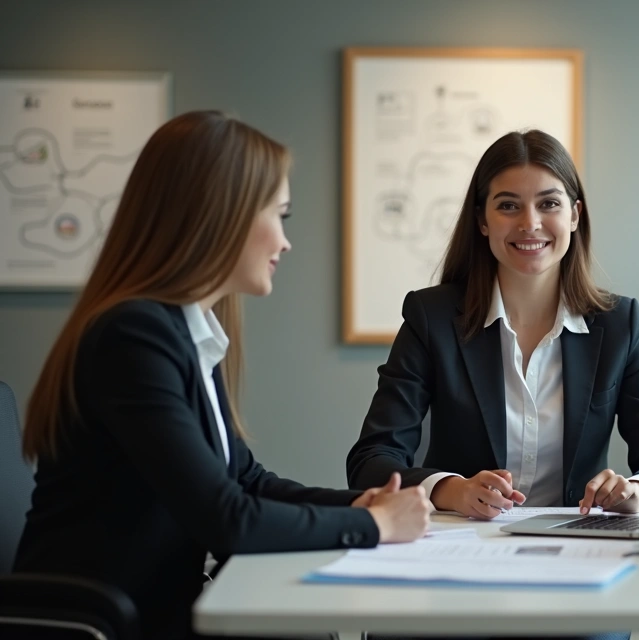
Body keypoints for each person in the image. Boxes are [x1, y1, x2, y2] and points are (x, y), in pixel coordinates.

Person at [15, 111, 433, 640]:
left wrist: (358, 504)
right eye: (277, 216)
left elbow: (245, 480)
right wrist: (374, 525)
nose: (285, 243)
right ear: (222, 216)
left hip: (156, 609)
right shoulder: (134, 336)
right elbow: (225, 517)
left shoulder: (184, 331)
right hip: (102, 624)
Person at [346, 129, 639, 523]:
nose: (530, 223)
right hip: (463, 545)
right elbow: (371, 459)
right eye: (508, 206)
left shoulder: (618, 324)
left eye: (549, 204)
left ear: (574, 215)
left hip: (579, 548)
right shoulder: (431, 317)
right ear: (482, 220)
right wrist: (452, 489)